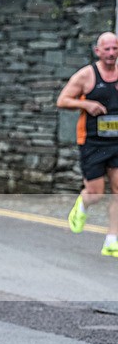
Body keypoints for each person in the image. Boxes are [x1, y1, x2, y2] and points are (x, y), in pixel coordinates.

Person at [57, 32, 118, 258]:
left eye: (115, 49)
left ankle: (112, 240)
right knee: (96, 193)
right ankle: (82, 205)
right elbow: (62, 100)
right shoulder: (86, 75)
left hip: (117, 143)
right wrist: (88, 104)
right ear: (98, 51)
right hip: (92, 142)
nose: (111, 53)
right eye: (107, 49)